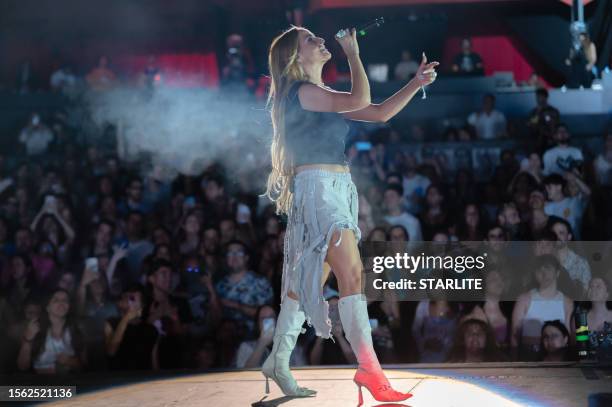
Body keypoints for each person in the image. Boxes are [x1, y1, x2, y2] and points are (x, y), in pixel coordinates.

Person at [261, 25, 437, 402]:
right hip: (320, 190)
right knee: (352, 272)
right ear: (296, 56)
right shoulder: (303, 92)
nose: (320, 40)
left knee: (305, 282)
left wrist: (415, 82)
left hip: (335, 189)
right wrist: (353, 53)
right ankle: (370, 370)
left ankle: (278, 358)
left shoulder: (315, 94)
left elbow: (379, 112)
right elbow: (361, 95)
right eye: (311, 39)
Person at [511, 255, 573, 360]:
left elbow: (569, 337)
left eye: (548, 268)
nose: (544, 273)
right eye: (539, 269)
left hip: (557, 359)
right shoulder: (524, 299)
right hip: (529, 357)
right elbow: (514, 336)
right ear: (535, 274)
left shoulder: (567, 302)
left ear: (557, 273)